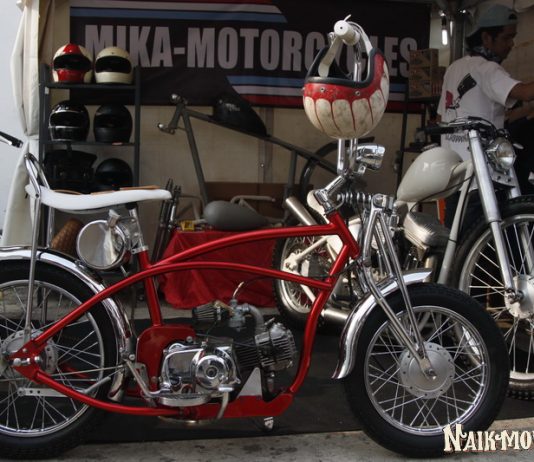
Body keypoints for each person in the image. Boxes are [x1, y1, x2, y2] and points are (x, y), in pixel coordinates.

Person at [437, 3, 534, 229]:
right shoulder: (487, 69)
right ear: (487, 38)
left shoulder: (454, 68)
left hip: (454, 178)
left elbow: (448, 115)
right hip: (483, 179)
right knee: (489, 244)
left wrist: (526, 112)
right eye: (506, 38)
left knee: (456, 242)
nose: (511, 45)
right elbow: (526, 93)